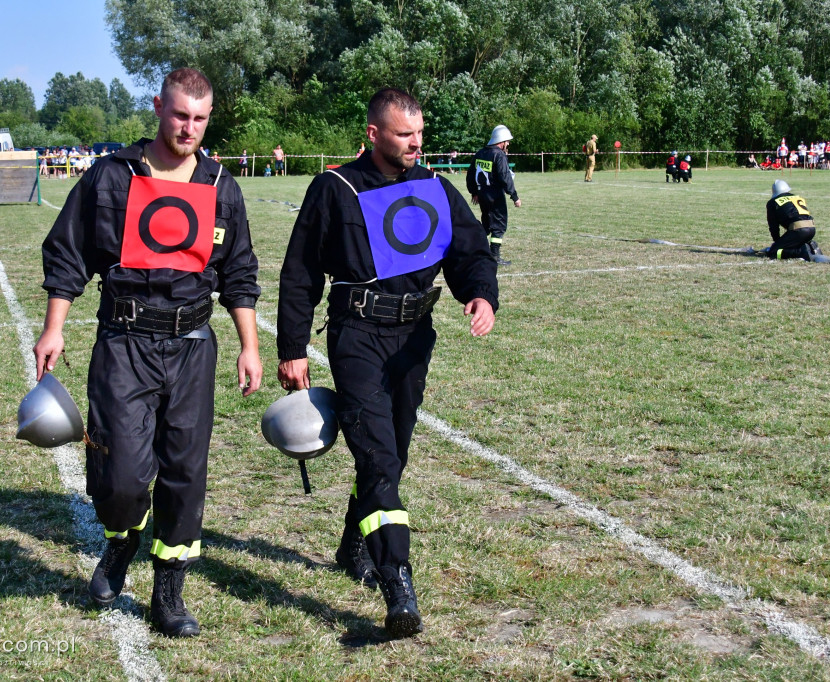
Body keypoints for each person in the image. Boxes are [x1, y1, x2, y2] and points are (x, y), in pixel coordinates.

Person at [32, 67, 263, 638]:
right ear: (159, 106)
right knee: (123, 476)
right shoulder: (110, 178)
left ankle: (169, 589)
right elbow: (68, 254)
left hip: (191, 348)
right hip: (123, 343)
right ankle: (120, 541)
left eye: (200, 119)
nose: (189, 128)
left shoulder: (219, 186)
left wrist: (249, 345)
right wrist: (53, 328)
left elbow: (238, 273)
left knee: (184, 471)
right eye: (180, 114)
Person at [276, 87, 499, 640]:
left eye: (419, 134)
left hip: (413, 338)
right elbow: (301, 272)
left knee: (391, 452)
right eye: (404, 135)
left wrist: (480, 294)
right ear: (373, 134)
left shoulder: (434, 188)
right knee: (376, 456)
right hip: (356, 337)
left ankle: (355, 540)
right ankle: (397, 579)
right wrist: (292, 349)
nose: (415, 144)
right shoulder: (334, 188)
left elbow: (469, 251)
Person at [466, 124, 521, 265]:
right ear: (501, 141)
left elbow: (470, 174)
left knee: (486, 224)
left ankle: (474, 249)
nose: (508, 144)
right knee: (499, 226)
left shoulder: (480, 153)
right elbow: (505, 177)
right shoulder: (499, 155)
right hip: (495, 196)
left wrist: (474, 192)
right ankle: (494, 256)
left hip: (483, 196)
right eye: (507, 141)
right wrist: (514, 196)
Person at [765, 179, 819, 260]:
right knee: (792, 244)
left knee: (773, 252)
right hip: (811, 229)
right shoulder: (796, 197)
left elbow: (773, 226)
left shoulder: (772, 202)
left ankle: (801, 252)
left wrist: (777, 243)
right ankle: (811, 246)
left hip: (798, 230)